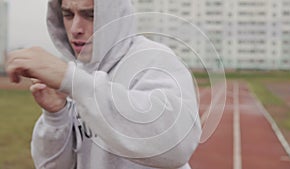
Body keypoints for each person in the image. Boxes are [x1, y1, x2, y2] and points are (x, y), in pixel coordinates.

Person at [6, 0, 201, 168]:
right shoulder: (77, 71)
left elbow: (176, 146)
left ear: (115, 14)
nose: (75, 28)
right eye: (67, 14)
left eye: (90, 15)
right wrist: (55, 115)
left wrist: (74, 82)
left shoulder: (155, 58)